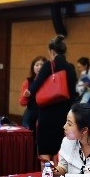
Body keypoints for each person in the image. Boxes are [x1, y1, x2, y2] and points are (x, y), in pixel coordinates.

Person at [29, 35, 78, 164]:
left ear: (51, 51)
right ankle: (58, 175)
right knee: (59, 150)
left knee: (45, 149)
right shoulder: (70, 68)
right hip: (64, 115)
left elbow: (34, 87)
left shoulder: (48, 66)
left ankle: (46, 175)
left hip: (47, 114)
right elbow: (73, 93)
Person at [18, 55, 47, 133]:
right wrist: (25, 96)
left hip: (44, 114)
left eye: (42, 65)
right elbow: (22, 103)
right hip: (30, 115)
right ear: (33, 67)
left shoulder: (49, 81)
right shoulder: (27, 82)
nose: (39, 67)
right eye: (37, 65)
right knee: (28, 137)